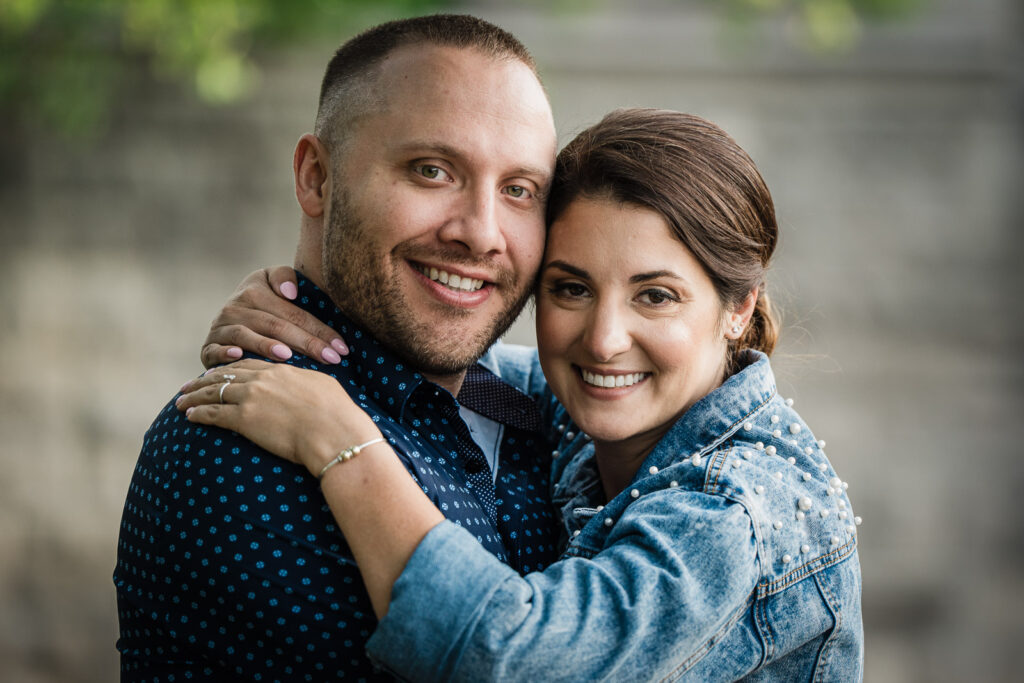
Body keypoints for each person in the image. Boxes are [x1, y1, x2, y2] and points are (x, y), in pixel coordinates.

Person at [181, 109, 864, 680]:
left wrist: (336, 438)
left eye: (655, 296)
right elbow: (444, 362)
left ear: (739, 307)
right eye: (571, 288)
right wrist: (293, 312)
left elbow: (512, 658)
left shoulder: (730, 512)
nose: (602, 341)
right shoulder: (585, 402)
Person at [114, 15, 564, 680]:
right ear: (316, 178)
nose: (482, 233)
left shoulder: (532, 407)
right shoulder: (241, 443)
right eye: (432, 170)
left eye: (519, 189)